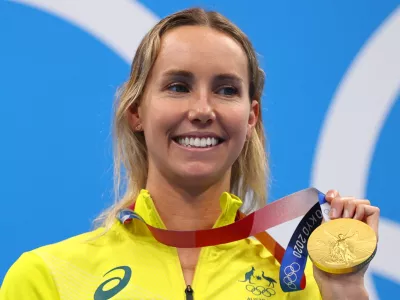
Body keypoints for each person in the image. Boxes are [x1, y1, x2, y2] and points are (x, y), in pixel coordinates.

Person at [0, 7, 380, 300]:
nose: (202, 110)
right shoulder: (48, 278)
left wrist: (344, 292)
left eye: (227, 90)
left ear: (251, 117)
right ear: (136, 112)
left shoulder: (302, 286)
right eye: (178, 86)